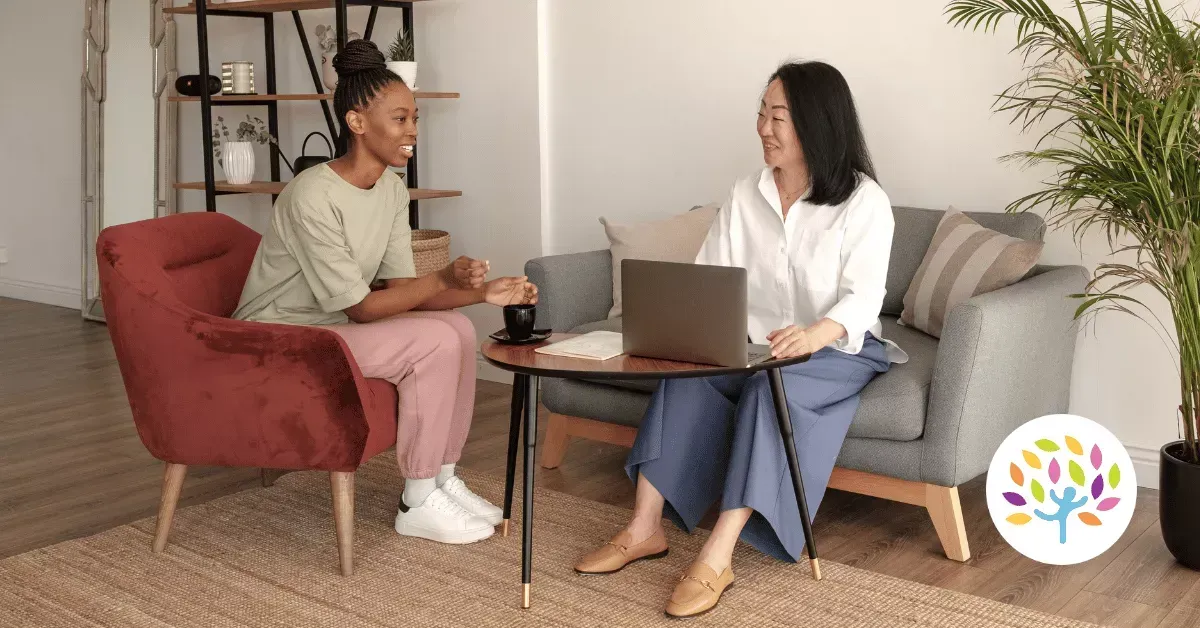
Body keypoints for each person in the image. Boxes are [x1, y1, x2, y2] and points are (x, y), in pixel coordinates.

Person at [573, 61, 908, 617]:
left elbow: (864, 297)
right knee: (685, 380)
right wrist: (690, 334)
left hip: (835, 348)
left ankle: (717, 555)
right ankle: (643, 528)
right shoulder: (744, 193)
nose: (763, 127)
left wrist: (812, 335)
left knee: (766, 393)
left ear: (818, 124)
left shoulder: (864, 201)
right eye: (762, 112)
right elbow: (711, 277)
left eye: (779, 116)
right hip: (753, 345)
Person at [232, 39, 537, 546]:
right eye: (399, 119)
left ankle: (441, 476)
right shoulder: (312, 194)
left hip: (332, 326)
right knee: (432, 342)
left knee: (458, 329)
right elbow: (364, 307)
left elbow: (400, 290)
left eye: (415, 118)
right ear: (357, 123)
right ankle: (416, 500)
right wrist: (442, 279)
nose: (413, 130)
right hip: (279, 337)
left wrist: (481, 295)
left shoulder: (391, 188)